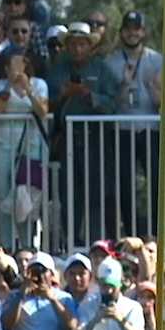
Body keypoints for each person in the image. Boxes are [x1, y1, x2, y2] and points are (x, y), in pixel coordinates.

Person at [47, 22, 121, 245]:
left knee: (98, 192)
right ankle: (71, 242)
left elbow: (114, 102)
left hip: (96, 138)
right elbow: (46, 102)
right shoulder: (58, 69)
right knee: (69, 194)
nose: (77, 49)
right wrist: (64, 94)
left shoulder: (102, 69)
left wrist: (90, 96)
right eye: (73, 44)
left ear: (90, 46)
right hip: (67, 138)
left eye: (82, 44)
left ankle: (98, 243)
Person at [103, 11, 162, 236]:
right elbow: (109, 103)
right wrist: (123, 85)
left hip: (151, 129)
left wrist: (152, 87)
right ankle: (130, 233)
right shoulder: (111, 62)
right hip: (123, 130)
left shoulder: (157, 60)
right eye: (128, 28)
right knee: (125, 185)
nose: (132, 32)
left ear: (143, 32)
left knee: (156, 183)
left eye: (137, 28)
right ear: (122, 32)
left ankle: (156, 233)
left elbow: (162, 103)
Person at [0, 50, 48, 247]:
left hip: (30, 144)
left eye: (19, 64)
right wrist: (9, 87)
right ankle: (6, 243)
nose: (14, 69)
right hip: (2, 144)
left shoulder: (39, 84)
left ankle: (27, 244)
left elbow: (42, 111)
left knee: (26, 193)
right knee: (3, 194)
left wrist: (27, 89)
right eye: (11, 65)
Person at [2, 251, 77, 330]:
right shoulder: (14, 296)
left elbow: (72, 328)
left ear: (51, 274)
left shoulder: (64, 297)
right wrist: (21, 295)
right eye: (34, 270)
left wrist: (53, 300)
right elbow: (7, 325)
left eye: (43, 271)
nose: (39, 275)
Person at [75, 257, 145, 330]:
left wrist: (121, 320)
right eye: (104, 285)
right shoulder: (87, 305)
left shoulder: (133, 307)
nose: (108, 290)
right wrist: (95, 320)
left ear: (120, 283)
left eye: (112, 286)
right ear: (98, 282)